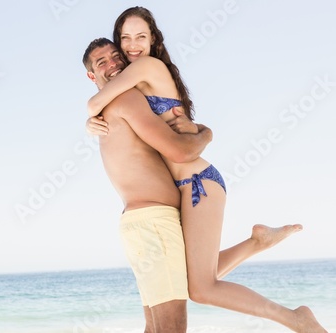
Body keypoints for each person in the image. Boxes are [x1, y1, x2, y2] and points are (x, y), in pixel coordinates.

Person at [85, 7, 327, 333]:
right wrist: (92, 117)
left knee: (201, 288)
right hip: (185, 185)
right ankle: (257, 243)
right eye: (124, 40)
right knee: (193, 283)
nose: (127, 50)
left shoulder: (145, 69)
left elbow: (178, 148)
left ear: (153, 39)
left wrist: (91, 109)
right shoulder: (134, 87)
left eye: (139, 37)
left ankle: (296, 318)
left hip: (197, 181)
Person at [83, 37, 214, 333]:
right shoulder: (126, 100)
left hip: (142, 225)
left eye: (116, 56)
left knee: (154, 327)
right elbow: (181, 151)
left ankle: (259, 243)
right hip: (154, 223)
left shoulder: (106, 109)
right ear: (92, 76)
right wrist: (207, 134)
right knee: (171, 328)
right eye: (102, 62)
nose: (113, 64)